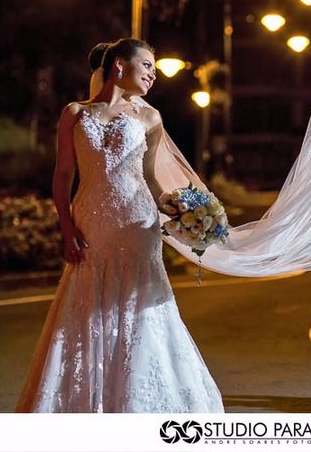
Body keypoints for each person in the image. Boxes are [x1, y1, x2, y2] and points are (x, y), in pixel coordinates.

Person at [15, 38, 224, 413]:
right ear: (120, 67)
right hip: (91, 221)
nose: (153, 74)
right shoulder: (75, 113)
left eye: (154, 69)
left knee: (139, 308)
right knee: (85, 304)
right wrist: (66, 229)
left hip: (137, 223)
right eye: (146, 66)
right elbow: (63, 176)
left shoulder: (150, 118)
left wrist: (184, 213)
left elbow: (151, 178)